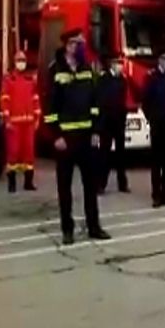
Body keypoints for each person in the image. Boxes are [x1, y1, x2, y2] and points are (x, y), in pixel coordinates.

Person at [45, 29, 110, 244]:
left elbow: (95, 104)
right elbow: (50, 108)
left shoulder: (86, 70)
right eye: (74, 44)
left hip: (86, 139)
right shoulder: (55, 71)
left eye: (80, 44)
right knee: (65, 188)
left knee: (90, 186)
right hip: (65, 140)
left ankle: (94, 226)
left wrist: (95, 132)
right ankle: (67, 230)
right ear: (66, 45)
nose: (77, 48)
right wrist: (56, 136)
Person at [143, 50, 165, 207]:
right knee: (157, 160)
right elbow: (146, 101)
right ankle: (156, 195)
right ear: (160, 60)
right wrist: (151, 117)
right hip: (157, 122)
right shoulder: (152, 77)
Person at [1, 50, 40, 193]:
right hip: (14, 123)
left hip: (29, 123)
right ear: (14, 62)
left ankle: (28, 182)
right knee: (13, 153)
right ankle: (12, 184)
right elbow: (5, 100)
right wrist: (7, 119)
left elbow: (35, 100)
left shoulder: (30, 80)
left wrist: (37, 118)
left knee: (29, 153)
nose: (21, 63)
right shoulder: (9, 79)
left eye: (23, 60)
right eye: (19, 60)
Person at [95, 53, 129, 194]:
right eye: (118, 63)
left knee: (121, 155)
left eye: (121, 63)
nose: (120, 66)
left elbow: (123, 100)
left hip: (119, 121)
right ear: (112, 64)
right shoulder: (104, 80)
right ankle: (101, 184)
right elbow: (100, 101)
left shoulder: (122, 80)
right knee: (105, 154)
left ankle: (123, 184)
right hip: (106, 122)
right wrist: (99, 124)